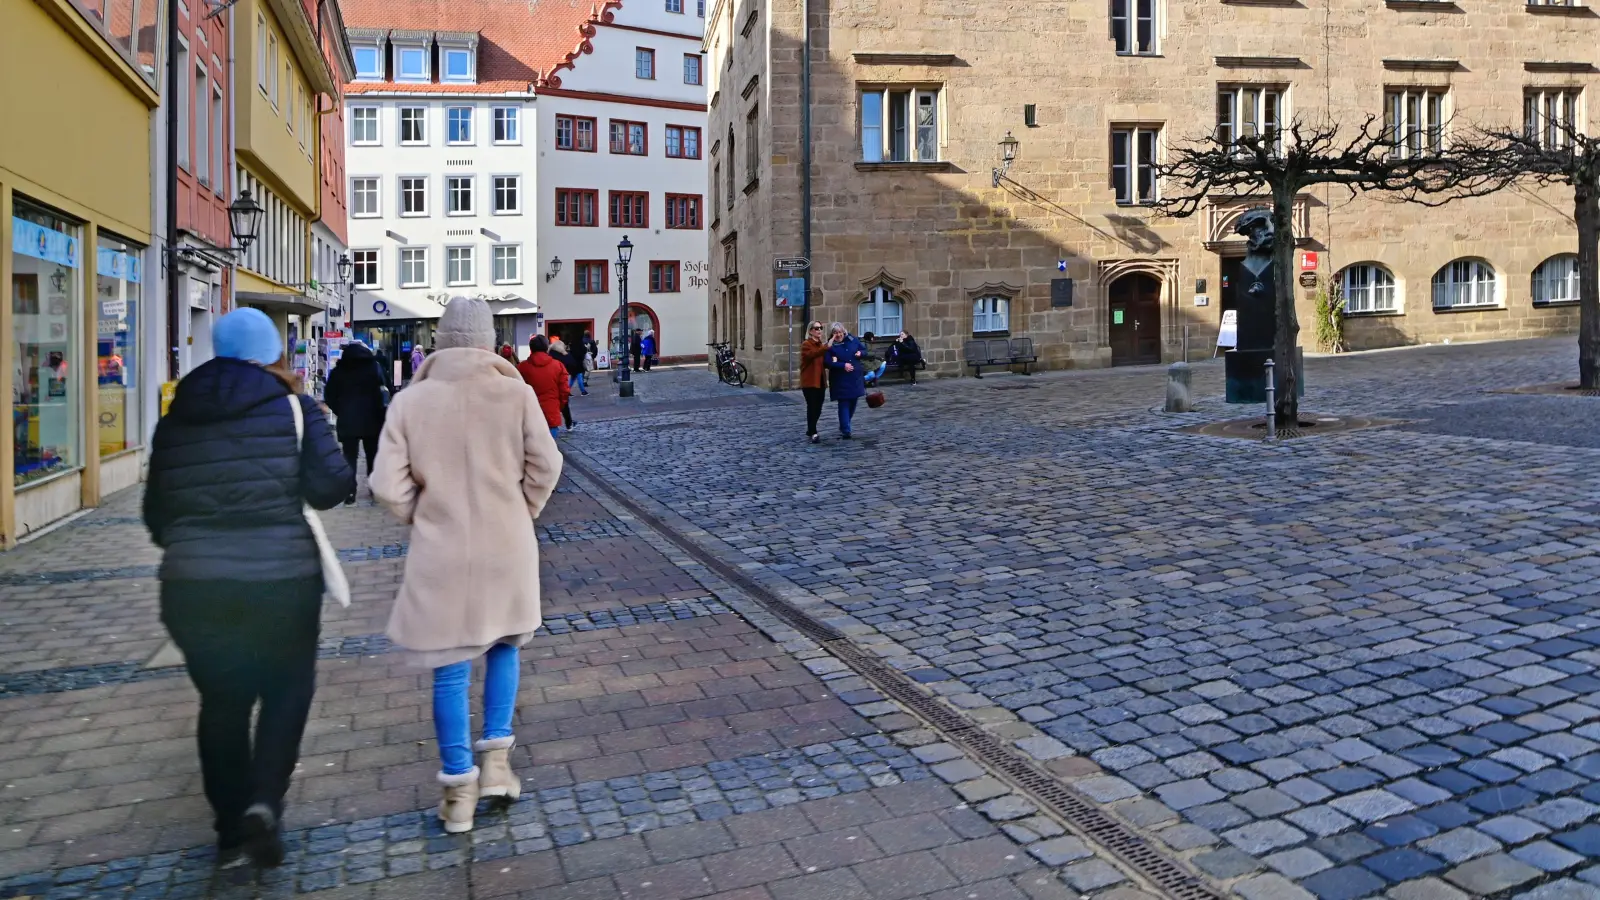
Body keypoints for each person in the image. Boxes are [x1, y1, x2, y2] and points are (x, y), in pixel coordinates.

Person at [143, 308, 354, 868]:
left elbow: (155, 515)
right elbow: (333, 486)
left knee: (223, 702)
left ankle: (230, 829)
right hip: (281, 580)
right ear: (273, 353)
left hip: (193, 585)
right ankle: (263, 802)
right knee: (286, 691)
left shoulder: (177, 412)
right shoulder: (293, 407)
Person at [370, 297, 563, 835]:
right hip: (507, 545)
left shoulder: (411, 402)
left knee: (450, 669)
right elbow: (547, 464)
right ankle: (498, 768)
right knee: (505, 644)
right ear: (486, 341)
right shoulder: (515, 393)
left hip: (442, 551)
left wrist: (421, 514)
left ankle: (459, 793)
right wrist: (519, 511)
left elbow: (385, 485)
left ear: (441, 340)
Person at [323, 341, 387, 504]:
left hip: (348, 419)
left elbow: (329, 395)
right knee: (372, 455)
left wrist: (341, 410)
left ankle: (350, 492)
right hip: (372, 418)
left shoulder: (339, 371)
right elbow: (385, 389)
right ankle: (374, 488)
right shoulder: (374, 367)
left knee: (349, 457)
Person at [518, 334, 570, 439]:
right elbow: (564, 391)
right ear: (546, 347)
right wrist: (559, 406)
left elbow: (516, 392)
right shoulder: (558, 366)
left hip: (530, 413)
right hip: (551, 411)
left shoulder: (522, 368)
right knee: (550, 450)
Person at [824, 322, 868, 439]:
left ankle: (845, 423)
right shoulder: (830, 346)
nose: (838, 335)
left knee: (853, 402)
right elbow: (828, 363)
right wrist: (843, 365)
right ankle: (846, 430)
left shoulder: (853, 340)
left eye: (839, 332)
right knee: (843, 403)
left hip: (855, 377)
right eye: (835, 333)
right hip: (840, 378)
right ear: (832, 334)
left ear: (843, 331)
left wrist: (860, 353)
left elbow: (864, 350)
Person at [800, 321, 828, 444]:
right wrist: (827, 346)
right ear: (810, 330)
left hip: (820, 381)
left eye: (821, 328)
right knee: (812, 407)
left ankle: (810, 429)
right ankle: (813, 431)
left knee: (819, 408)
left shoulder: (820, 345)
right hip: (810, 381)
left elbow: (823, 361)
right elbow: (812, 354)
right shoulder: (806, 344)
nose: (819, 330)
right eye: (816, 328)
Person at [546, 338, 577, 431]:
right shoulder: (564, 357)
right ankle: (569, 424)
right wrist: (566, 354)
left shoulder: (548, 355)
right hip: (560, 383)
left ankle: (550, 424)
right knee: (564, 404)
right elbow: (573, 366)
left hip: (548, 383)